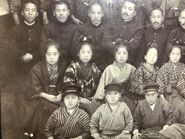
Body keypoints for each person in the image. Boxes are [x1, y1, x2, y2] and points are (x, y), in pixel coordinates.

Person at [24, 39, 67, 139]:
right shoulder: (37, 67)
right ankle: (42, 133)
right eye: (49, 54)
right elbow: (33, 87)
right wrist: (45, 95)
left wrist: (61, 93)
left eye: (55, 54)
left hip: (58, 96)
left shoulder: (63, 67)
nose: (52, 57)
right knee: (41, 107)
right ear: (44, 54)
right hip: (41, 96)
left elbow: (66, 83)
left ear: (59, 54)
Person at [93, 39, 136, 114]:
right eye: (119, 53)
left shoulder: (132, 69)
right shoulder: (109, 69)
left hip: (128, 98)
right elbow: (102, 88)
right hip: (112, 97)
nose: (121, 56)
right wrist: (98, 99)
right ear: (115, 55)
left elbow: (135, 86)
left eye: (124, 53)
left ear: (128, 55)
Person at [4, 0, 41, 83]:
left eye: (33, 10)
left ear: (37, 14)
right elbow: (10, 47)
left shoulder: (41, 30)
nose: (30, 13)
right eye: (27, 10)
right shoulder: (15, 30)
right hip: (19, 65)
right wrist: (22, 55)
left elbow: (43, 48)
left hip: (36, 65)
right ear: (22, 13)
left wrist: (33, 56)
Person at [64, 36, 101, 115]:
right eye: (83, 52)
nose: (86, 55)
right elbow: (67, 87)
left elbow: (100, 86)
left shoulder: (95, 68)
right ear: (78, 53)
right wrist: (79, 99)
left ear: (92, 53)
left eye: (89, 52)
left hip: (92, 100)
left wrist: (95, 98)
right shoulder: (72, 68)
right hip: (76, 100)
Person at [102, 0, 144, 66]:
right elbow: (105, 41)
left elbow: (134, 46)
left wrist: (115, 43)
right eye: (124, 7)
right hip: (110, 63)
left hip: (128, 64)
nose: (126, 11)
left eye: (129, 9)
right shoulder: (112, 22)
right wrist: (127, 43)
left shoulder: (138, 28)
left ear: (134, 13)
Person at [72, 2, 111, 71]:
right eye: (93, 13)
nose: (96, 16)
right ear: (89, 14)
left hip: (103, 65)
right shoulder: (81, 29)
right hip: (85, 64)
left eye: (98, 13)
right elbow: (74, 49)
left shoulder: (107, 29)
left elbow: (109, 50)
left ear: (102, 14)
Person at [40, 0, 77, 65]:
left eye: (64, 10)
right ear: (54, 13)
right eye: (58, 11)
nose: (61, 13)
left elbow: (76, 52)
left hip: (69, 65)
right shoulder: (47, 28)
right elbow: (42, 50)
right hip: (52, 64)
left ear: (68, 12)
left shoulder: (74, 29)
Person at [157, 45, 185, 110]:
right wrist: (163, 99)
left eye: (178, 54)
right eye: (173, 54)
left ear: (180, 56)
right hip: (169, 95)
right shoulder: (164, 67)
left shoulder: (183, 67)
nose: (175, 56)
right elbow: (160, 84)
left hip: (182, 93)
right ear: (169, 55)